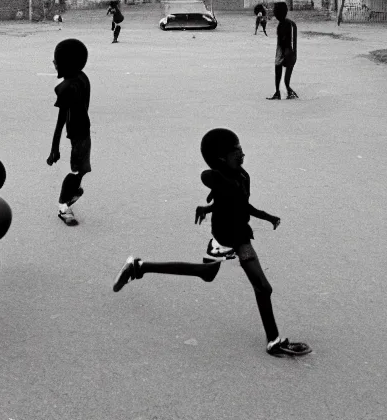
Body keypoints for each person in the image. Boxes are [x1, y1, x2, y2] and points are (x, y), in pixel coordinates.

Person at [116, 128, 311, 357]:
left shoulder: (242, 175)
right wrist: (214, 197)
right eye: (236, 151)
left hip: (240, 234)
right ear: (220, 158)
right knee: (262, 286)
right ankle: (274, 342)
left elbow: (241, 204)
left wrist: (267, 217)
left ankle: (139, 267)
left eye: (241, 149)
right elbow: (208, 179)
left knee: (207, 273)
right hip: (229, 237)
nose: (242, 154)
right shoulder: (219, 178)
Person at [47, 39, 91, 227]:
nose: (54, 63)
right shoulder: (81, 78)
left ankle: (71, 193)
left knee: (81, 169)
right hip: (79, 134)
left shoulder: (71, 86)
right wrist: (54, 148)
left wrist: (54, 148)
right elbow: (61, 119)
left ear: (66, 64)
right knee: (77, 170)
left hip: (82, 132)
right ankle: (64, 207)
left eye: (56, 61)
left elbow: (61, 120)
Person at [269, 2, 298, 100]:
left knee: (285, 80)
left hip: (286, 52)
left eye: (275, 12)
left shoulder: (287, 24)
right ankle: (279, 93)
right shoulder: (285, 24)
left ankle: (286, 93)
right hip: (283, 51)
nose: (274, 14)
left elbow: (287, 40)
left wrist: (288, 55)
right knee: (281, 76)